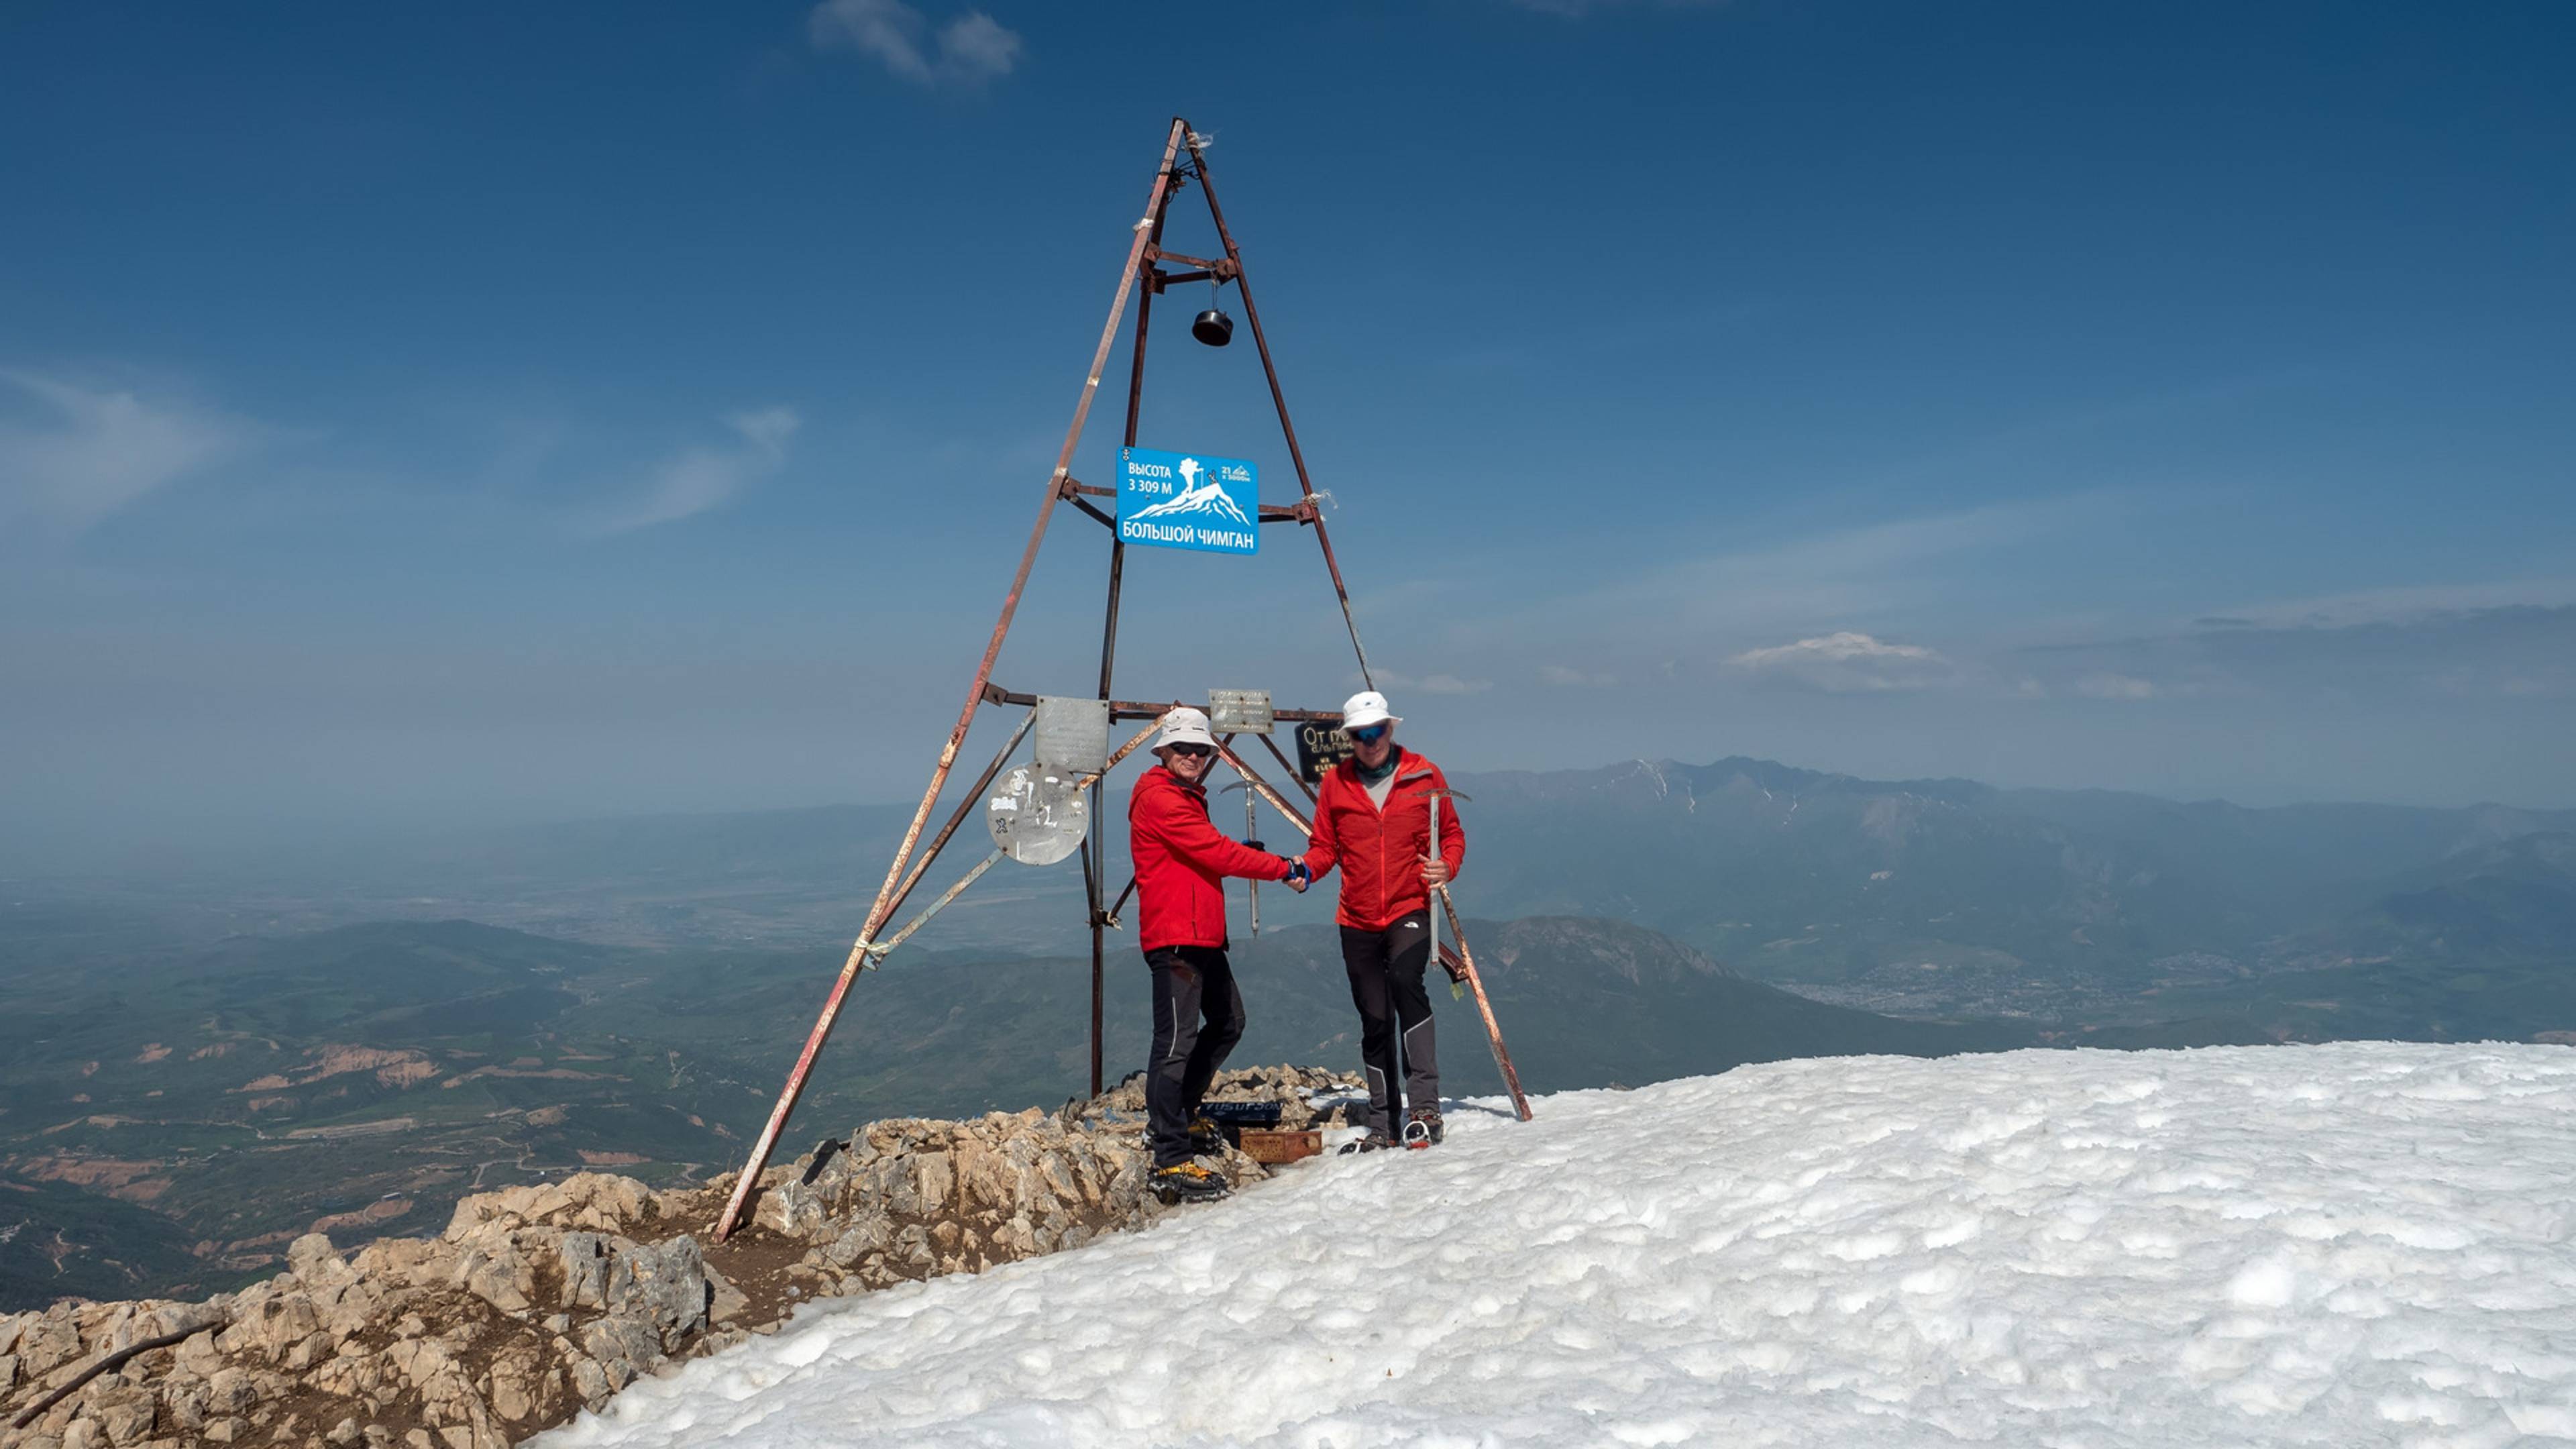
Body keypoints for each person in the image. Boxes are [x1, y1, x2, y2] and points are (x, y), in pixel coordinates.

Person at [1128, 705, 1311, 1203]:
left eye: (1200, 749)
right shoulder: (1162, 799)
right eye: (1183, 747)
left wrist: (1245, 853)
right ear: (1163, 750)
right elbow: (1214, 853)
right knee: (1175, 1042)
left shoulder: (1183, 795)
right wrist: (1284, 866)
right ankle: (1168, 1155)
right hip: (1175, 938)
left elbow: (1206, 851)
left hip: (1200, 934)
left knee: (1228, 1022)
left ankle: (1181, 1117)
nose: (1192, 755)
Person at [1298, 690, 1465, 1151]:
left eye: (1377, 730)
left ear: (1391, 729)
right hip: (1356, 917)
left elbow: (1451, 833)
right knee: (1373, 1016)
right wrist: (1305, 871)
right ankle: (1383, 1120)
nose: (1370, 740)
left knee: (1407, 983)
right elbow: (1325, 847)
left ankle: (1425, 1107)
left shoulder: (1425, 775)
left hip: (1410, 907)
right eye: (1360, 734)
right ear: (1350, 738)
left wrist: (1447, 865)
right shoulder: (1336, 784)